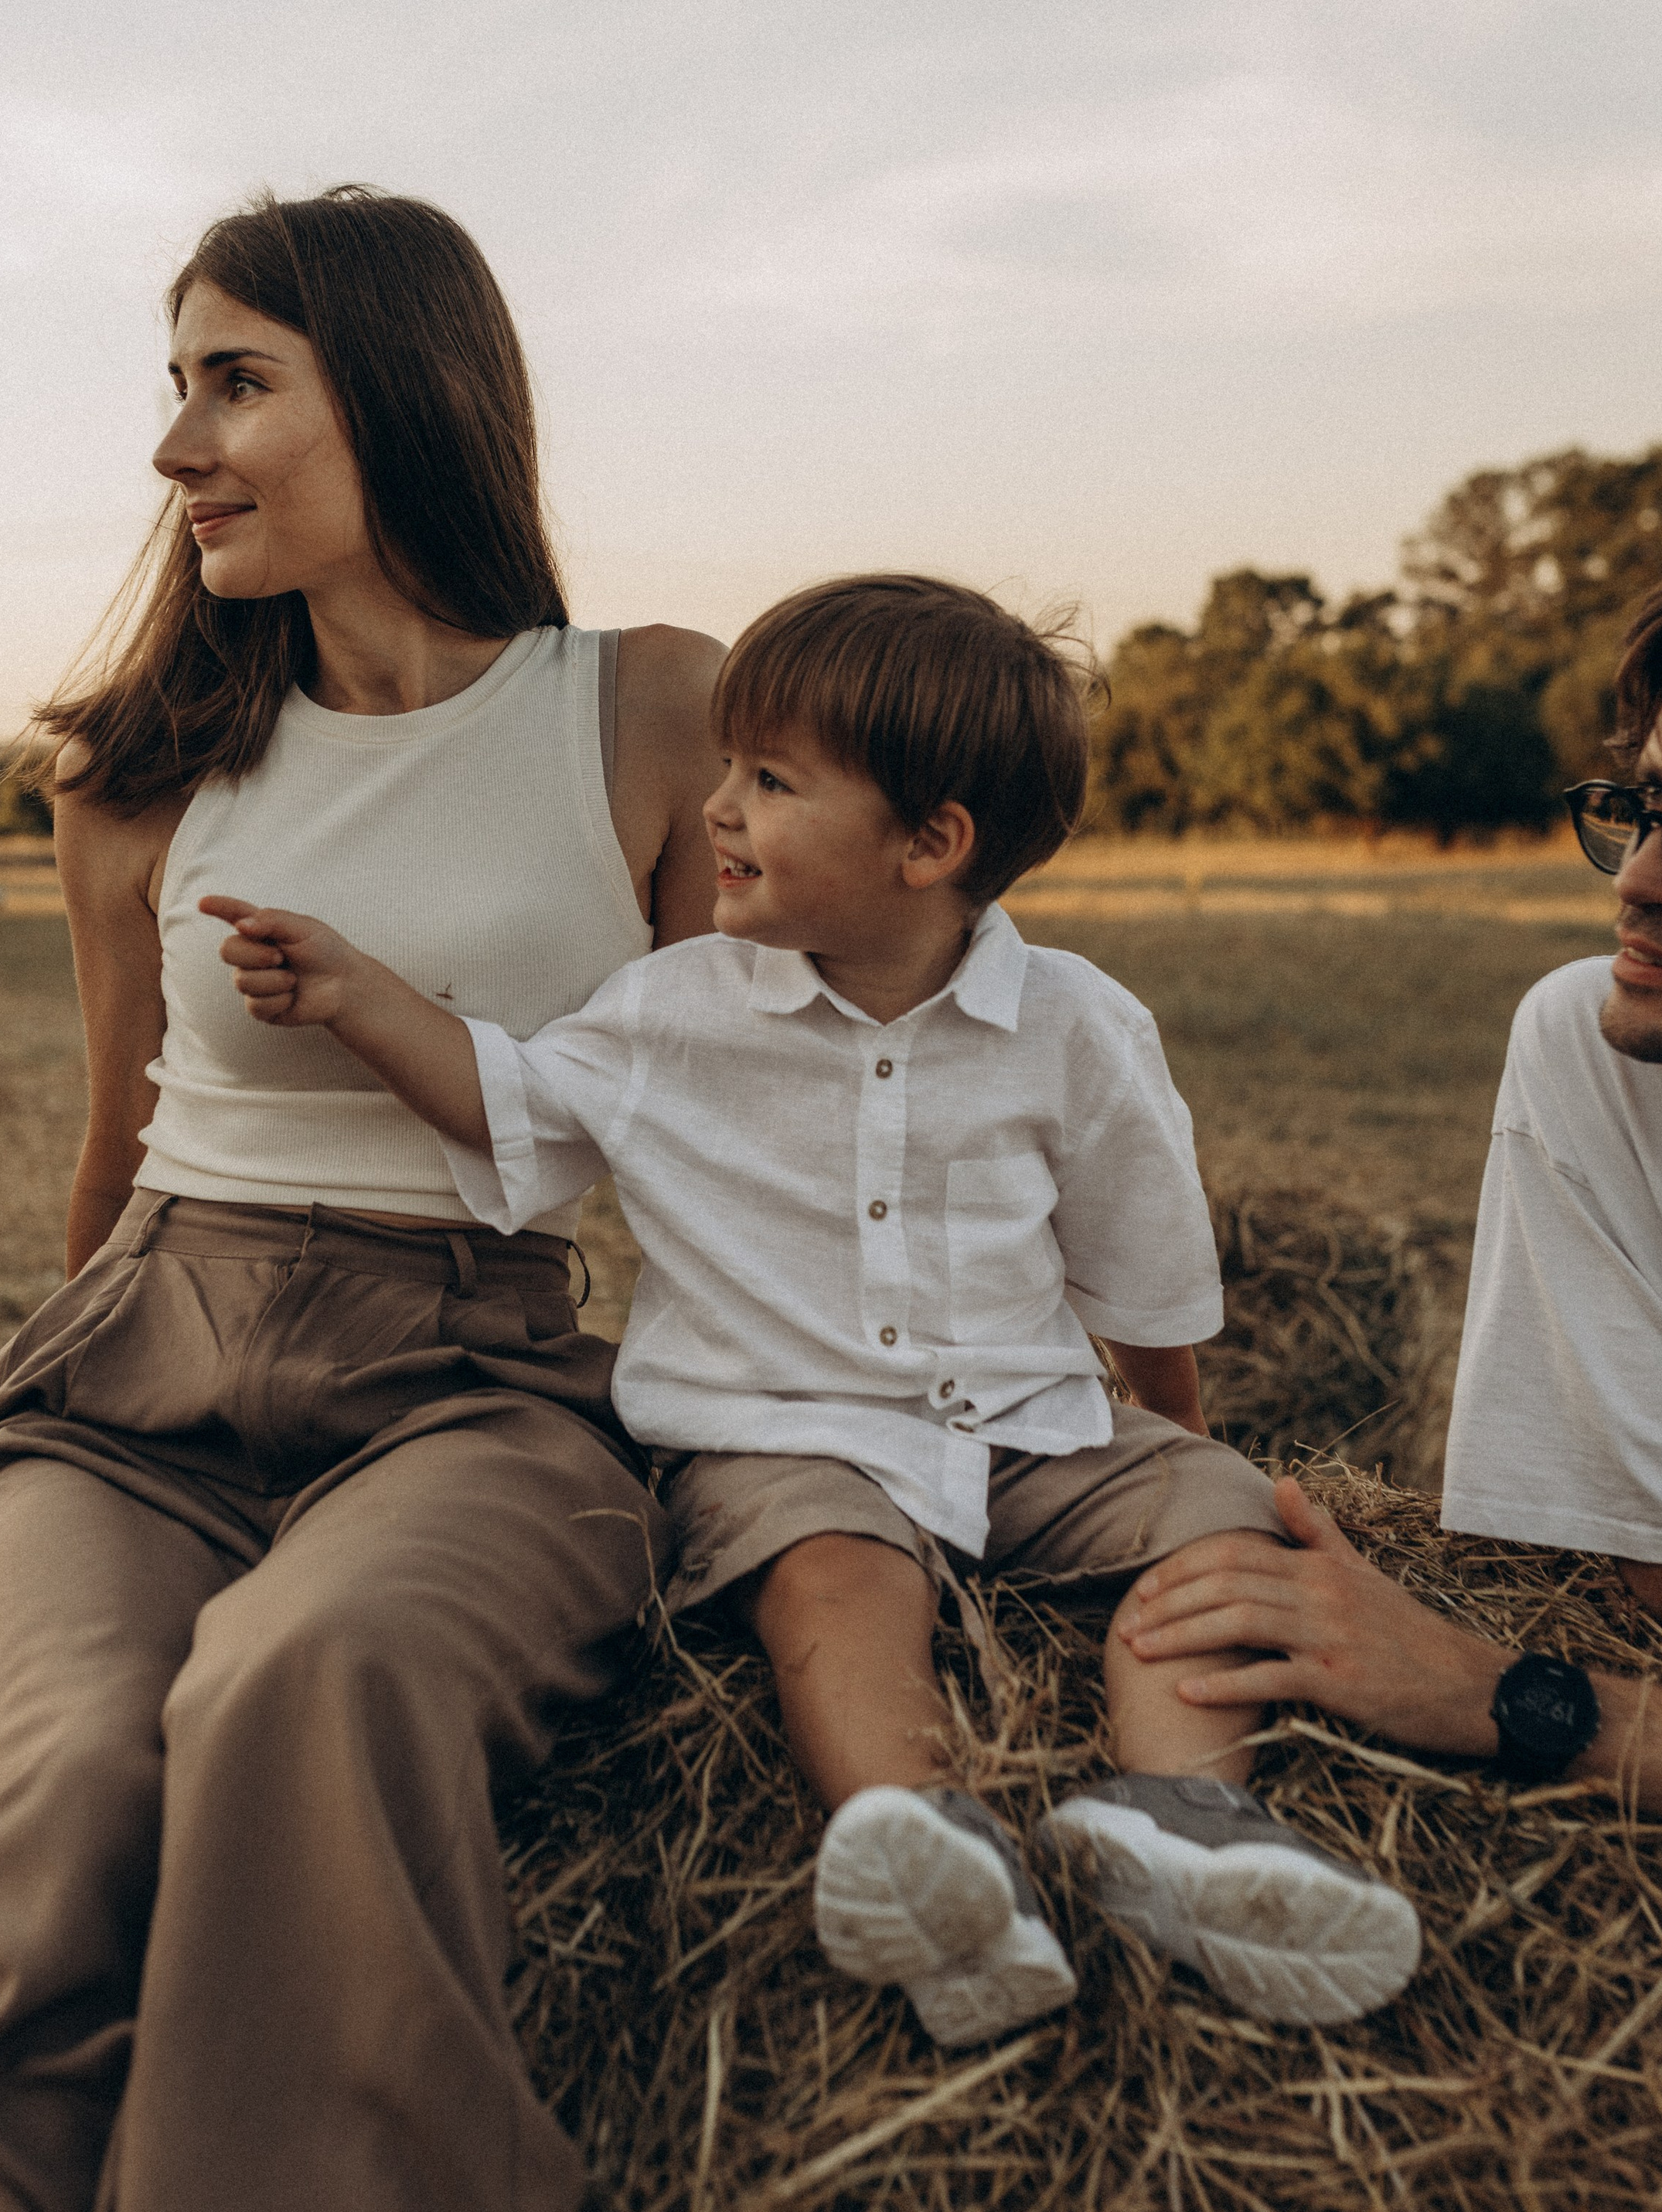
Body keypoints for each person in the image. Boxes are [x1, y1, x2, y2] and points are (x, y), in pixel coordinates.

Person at [0, 185, 727, 2212]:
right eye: (175, 383)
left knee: (300, 1693)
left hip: (478, 1383)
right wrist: (23, 1460)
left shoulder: (650, 711)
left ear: (403, 394)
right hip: (137, 1378)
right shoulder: (140, 770)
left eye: (235, 381)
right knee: (67, 1785)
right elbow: (112, 1143)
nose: (174, 447)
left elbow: (758, 1117)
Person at [202, 573, 1424, 2047]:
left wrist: (1175, 1450)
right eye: (727, 767)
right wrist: (358, 992)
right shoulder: (673, 1013)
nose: (716, 807)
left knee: (1223, 1526)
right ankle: (929, 1841)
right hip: (786, 1441)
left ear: (931, 844)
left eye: (770, 780)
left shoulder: (1079, 1027)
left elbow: (1142, 1269)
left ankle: (1181, 1820)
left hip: (1028, 1433)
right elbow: (511, 1099)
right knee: (832, 1580)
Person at [1114, 576, 1662, 1812]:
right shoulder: (1599, 1049)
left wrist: (1503, 1695)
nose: (1635, 882)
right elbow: (1647, 1575)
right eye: (1650, 808)